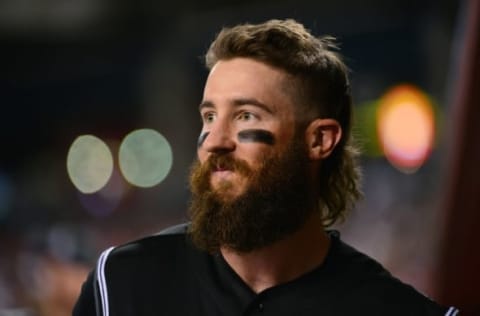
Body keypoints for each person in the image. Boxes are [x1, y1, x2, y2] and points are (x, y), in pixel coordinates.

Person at [73, 19, 459, 315]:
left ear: (320, 140)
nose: (215, 140)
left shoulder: (393, 310)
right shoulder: (123, 286)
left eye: (245, 116)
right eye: (209, 117)